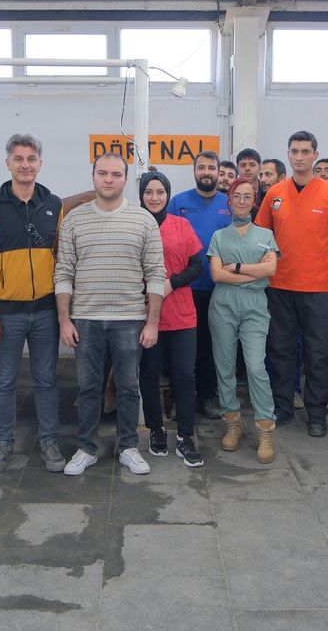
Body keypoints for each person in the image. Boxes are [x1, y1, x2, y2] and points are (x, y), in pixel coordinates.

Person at [55, 153, 164, 477]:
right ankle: (86, 449)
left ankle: (128, 447)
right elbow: (63, 272)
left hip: (129, 320)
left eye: (116, 174)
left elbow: (155, 274)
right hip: (86, 320)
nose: (108, 179)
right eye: (103, 173)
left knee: (128, 387)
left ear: (125, 180)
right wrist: (64, 319)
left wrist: (152, 323)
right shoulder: (74, 220)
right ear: (93, 176)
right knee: (88, 388)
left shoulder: (143, 221)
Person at [0, 133, 66, 475]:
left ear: (40, 163)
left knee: (46, 380)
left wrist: (63, 311)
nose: (25, 165)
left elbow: (63, 257)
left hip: (45, 312)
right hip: (5, 313)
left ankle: (50, 442)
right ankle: (3, 443)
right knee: (4, 381)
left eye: (31, 159)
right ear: (8, 163)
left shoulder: (54, 204)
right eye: (18, 159)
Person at [255, 130, 328, 437]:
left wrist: (321, 258)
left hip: (318, 289)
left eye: (305, 151)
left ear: (315, 155)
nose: (299, 157)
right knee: (280, 351)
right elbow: (261, 237)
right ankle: (283, 408)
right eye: (294, 151)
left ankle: (317, 414)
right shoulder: (275, 193)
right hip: (280, 287)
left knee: (318, 354)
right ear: (288, 154)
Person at [209, 177, 281, 463]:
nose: (241, 201)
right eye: (236, 196)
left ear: (254, 201)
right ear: (229, 201)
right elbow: (217, 274)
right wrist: (254, 273)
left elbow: (271, 270)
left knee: (255, 366)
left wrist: (237, 267)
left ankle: (265, 427)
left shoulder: (265, 234)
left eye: (247, 196)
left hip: (255, 307)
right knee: (224, 366)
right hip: (223, 305)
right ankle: (232, 422)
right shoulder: (219, 236)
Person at [138, 170, 205, 467]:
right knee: (149, 375)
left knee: (184, 376)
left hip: (181, 314)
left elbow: (197, 266)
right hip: (145, 315)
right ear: (141, 195)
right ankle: (156, 430)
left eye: (160, 192)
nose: (154, 197)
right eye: (149, 192)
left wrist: (171, 283)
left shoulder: (181, 224)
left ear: (167, 194)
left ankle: (185, 436)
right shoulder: (134, 224)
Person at [166, 151, 231, 420]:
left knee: (210, 346)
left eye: (211, 168)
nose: (206, 172)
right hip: (184, 289)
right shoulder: (178, 202)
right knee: (180, 349)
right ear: (194, 171)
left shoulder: (229, 203)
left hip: (218, 288)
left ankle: (207, 396)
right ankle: (178, 397)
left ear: (218, 172)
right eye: (201, 167)